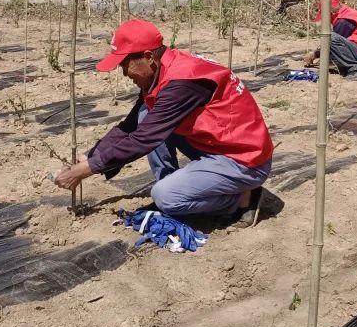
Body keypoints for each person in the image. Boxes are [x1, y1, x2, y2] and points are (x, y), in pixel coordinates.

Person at [54, 19, 276, 221]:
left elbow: (144, 138)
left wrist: (87, 169)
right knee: (145, 115)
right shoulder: (162, 70)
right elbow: (131, 125)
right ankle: (178, 191)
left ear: (149, 57)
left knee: (165, 197)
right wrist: (91, 154)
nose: (124, 74)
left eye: (125, 65)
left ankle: (241, 199)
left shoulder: (181, 83)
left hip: (245, 160)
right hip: (217, 143)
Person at [303, 0, 357, 80]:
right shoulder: (349, 14)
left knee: (330, 37)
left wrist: (314, 54)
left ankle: (356, 70)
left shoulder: (343, 21)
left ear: (330, 12)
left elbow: (330, 45)